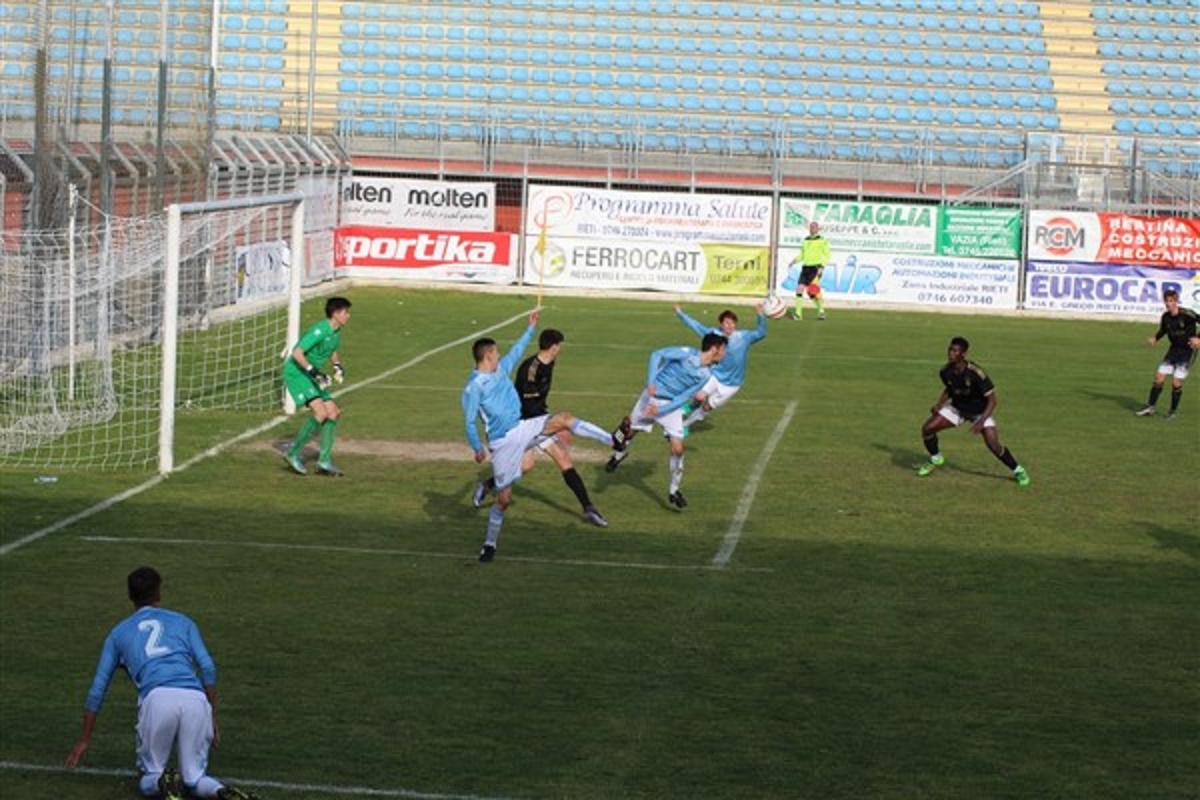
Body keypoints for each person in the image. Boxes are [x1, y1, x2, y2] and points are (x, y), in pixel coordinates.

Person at [66, 567, 257, 800]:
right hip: (195, 699)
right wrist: (211, 716)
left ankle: (162, 780)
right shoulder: (183, 622)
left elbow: (97, 690)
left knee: (147, 775)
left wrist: (84, 739)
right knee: (195, 779)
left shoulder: (117, 634)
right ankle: (219, 791)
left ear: (130, 596)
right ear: (159, 592)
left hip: (157, 699)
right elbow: (207, 668)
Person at [463, 310, 620, 562]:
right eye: (496, 352)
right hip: (503, 443)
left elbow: (516, 351)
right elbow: (470, 421)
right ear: (488, 355)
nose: (500, 355)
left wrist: (530, 329)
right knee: (503, 501)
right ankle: (489, 544)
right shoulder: (473, 387)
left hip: (524, 427)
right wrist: (477, 448)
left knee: (564, 419)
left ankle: (613, 440)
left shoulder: (500, 369)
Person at [472, 328, 608, 528]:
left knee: (557, 461)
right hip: (525, 425)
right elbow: (525, 404)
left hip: (537, 419)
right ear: (553, 347)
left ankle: (588, 508)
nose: (560, 349)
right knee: (529, 466)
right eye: (559, 346)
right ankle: (488, 486)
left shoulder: (549, 361)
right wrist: (552, 426)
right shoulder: (530, 369)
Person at [606, 332, 729, 509]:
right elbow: (657, 354)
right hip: (650, 396)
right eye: (724, 349)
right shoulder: (687, 353)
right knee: (629, 432)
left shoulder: (706, 375)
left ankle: (673, 491)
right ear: (714, 348)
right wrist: (650, 383)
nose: (725, 354)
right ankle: (618, 455)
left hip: (670, 407)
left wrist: (661, 410)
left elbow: (684, 397)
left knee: (678, 449)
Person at [916, 336, 1030, 487]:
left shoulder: (976, 372)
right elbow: (950, 388)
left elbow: (992, 400)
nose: (950, 353)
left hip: (979, 412)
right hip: (958, 408)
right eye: (950, 349)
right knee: (927, 428)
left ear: (963, 354)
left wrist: (981, 421)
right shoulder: (945, 371)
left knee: (993, 444)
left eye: (955, 350)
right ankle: (936, 458)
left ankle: (1018, 470)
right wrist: (939, 404)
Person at [282, 296, 351, 476]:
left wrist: (337, 365)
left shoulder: (336, 331)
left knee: (333, 412)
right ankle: (292, 453)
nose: (348, 316)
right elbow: (297, 353)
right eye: (345, 312)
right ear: (335, 314)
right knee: (321, 413)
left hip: (310, 374)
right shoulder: (320, 330)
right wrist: (313, 371)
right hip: (297, 373)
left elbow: (332, 350)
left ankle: (324, 461)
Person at [673, 302, 767, 429]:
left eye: (732, 323)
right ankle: (681, 412)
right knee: (699, 396)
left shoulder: (744, 337)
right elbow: (696, 326)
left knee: (707, 407)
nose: (730, 326)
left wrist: (761, 314)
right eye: (727, 323)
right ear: (721, 324)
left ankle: (684, 425)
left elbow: (761, 333)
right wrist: (680, 314)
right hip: (715, 376)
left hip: (733, 384)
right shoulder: (714, 334)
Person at [1134, 288, 1200, 419]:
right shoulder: (1166, 317)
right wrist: (1155, 338)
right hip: (1173, 350)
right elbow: (1163, 330)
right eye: (1166, 301)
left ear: (1176, 301)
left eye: (1171, 301)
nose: (1168, 304)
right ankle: (1150, 407)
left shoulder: (1187, 314)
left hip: (1187, 351)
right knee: (1159, 377)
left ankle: (1172, 412)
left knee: (1176, 382)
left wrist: (1198, 338)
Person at [786, 220, 830, 321]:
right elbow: (802, 255)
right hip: (806, 268)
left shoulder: (822, 240)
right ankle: (798, 315)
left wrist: (822, 266)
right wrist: (794, 261)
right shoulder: (805, 240)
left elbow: (827, 255)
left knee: (813, 292)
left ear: (818, 229)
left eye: (814, 227)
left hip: (816, 268)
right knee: (799, 289)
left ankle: (821, 311)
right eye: (811, 227)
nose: (812, 228)